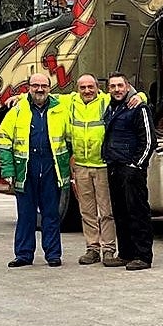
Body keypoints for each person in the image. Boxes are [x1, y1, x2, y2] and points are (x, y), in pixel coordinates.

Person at [0, 72, 71, 267]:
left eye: (44, 86)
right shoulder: (17, 109)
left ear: (50, 88)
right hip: (25, 170)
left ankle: (53, 255)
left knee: (51, 215)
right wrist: (8, 171)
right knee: (26, 216)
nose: (39, 89)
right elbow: (4, 141)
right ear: (28, 87)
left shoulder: (61, 107)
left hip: (50, 169)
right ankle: (23, 255)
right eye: (35, 85)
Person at [66, 74, 121, 267]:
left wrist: (138, 96)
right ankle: (92, 248)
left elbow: (133, 94)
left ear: (98, 88)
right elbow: (45, 95)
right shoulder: (70, 103)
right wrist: (19, 98)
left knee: (106, 211)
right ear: (77, 89)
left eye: (91, 87)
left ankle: (108, 249)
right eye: (83, 88)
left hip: (102, 165)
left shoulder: (106, 101)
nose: (87, 91)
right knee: (87, 211)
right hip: (81, 166)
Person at [102, 72, 155, 271]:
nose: (116, 89)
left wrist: (137, 165)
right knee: (121, 213)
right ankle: (125, 254)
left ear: (127, 87)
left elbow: (149, 140)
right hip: (114, 167)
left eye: (120, 86)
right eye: (113, 86)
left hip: (131, 170)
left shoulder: (138, 108)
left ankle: (143, 256)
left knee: (137, 212)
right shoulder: (110, 108)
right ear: (109, 89)